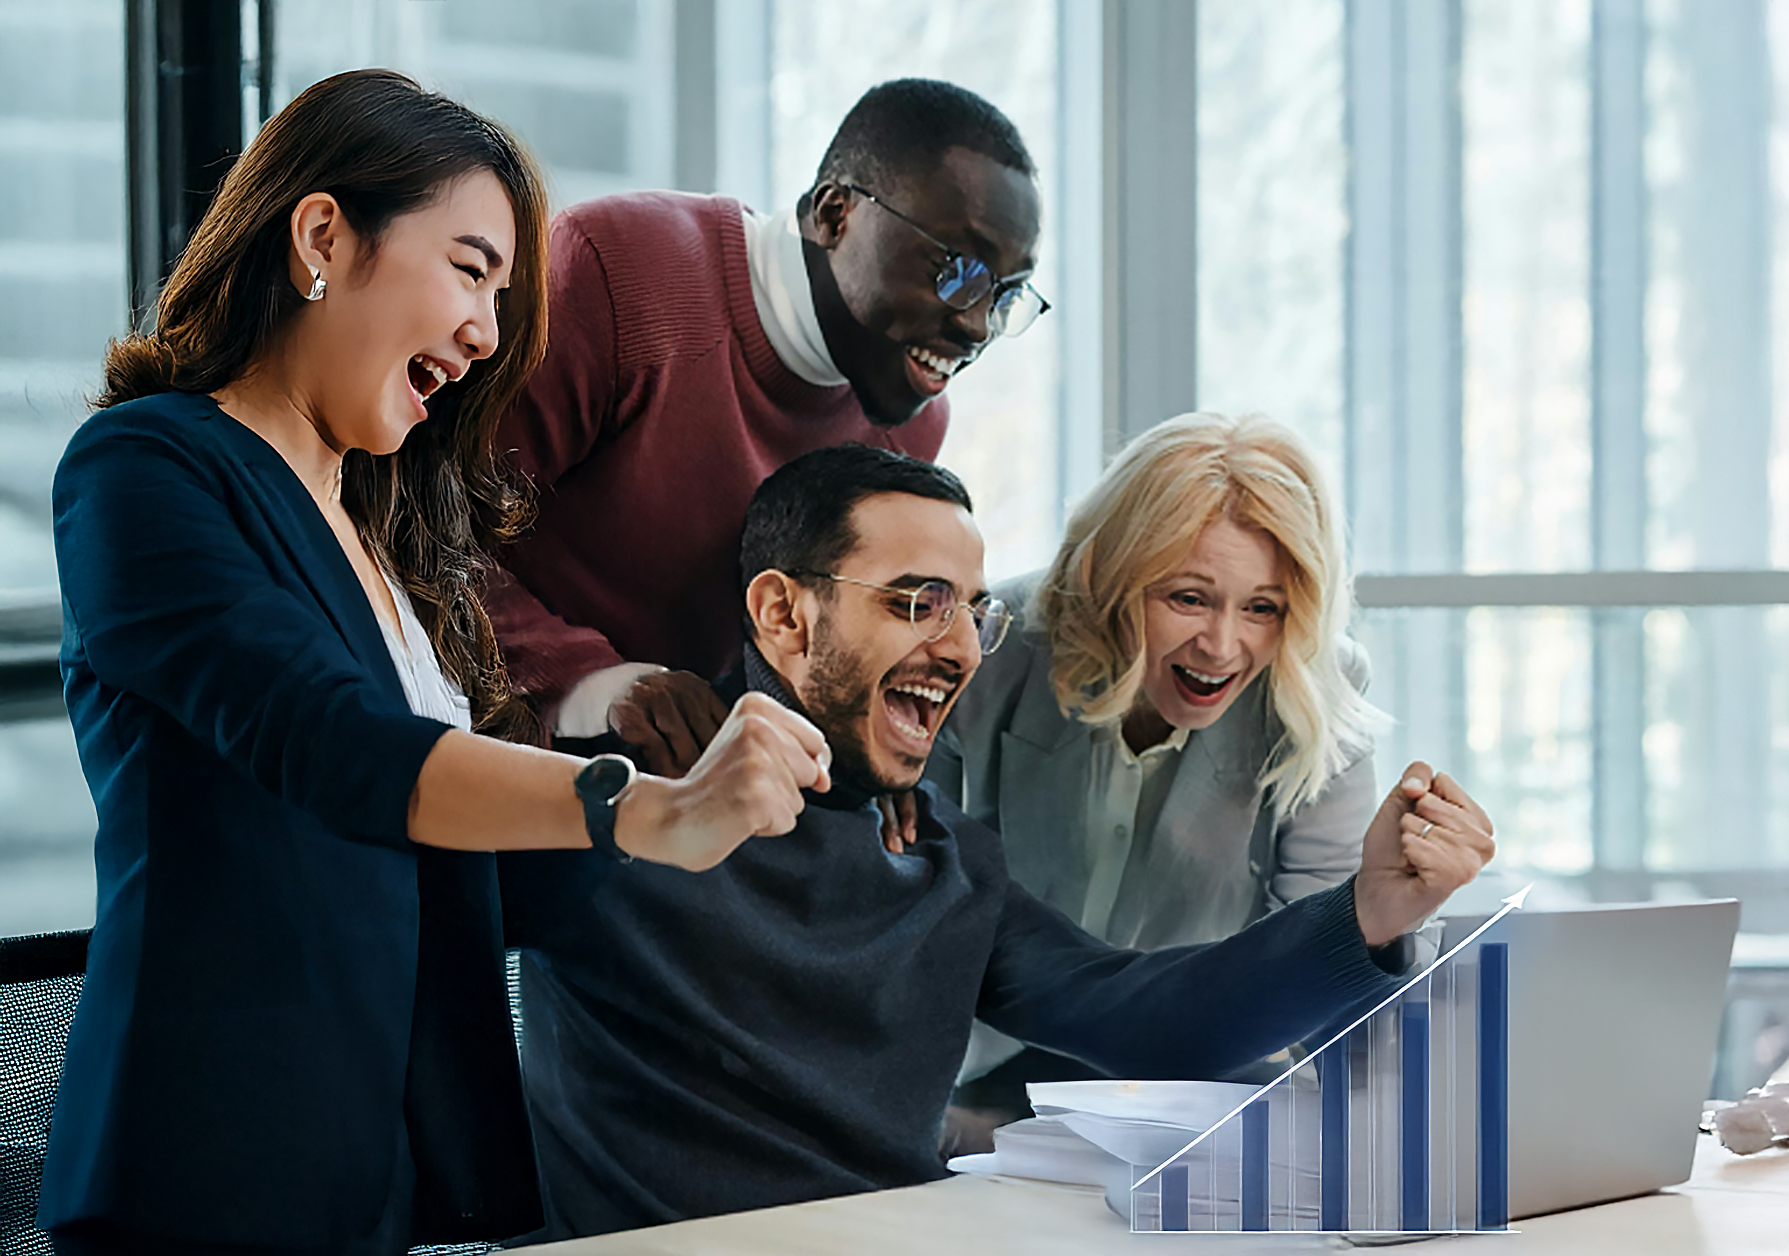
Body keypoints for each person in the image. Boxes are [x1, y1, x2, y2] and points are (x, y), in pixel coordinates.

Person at [43, 70, 829, 1256]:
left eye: (504, 294)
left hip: (378, 1173)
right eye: (470, 269)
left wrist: (714, 754)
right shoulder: (143, 468)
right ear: (321, 234)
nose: (488, 333)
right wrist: (641, 810)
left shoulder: (386, 539)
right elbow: (330, 743)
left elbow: (482, 874)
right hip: (208, 1168)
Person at [499, 444, 1495, 1241]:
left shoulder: (945, 858)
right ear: (781, 615)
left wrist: (1370, 911)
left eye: (969, 611)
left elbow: (1148, 1015)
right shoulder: (613, 806)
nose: (964, 645)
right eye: (914, 601)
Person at [480, 77, 1046, 769]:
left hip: (691, 800)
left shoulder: (915, 425)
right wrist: (594, 685)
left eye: (1008, 294)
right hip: (486, 751)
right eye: (957, 270)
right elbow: (418, 532)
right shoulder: (620, 270)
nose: (977, 325)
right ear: (837, 214)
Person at [928, 412, 1382, 1124]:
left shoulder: (1319, 687)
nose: (1222, 646)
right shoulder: (993, 647)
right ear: (1112, 576)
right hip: (971, 1068)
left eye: (1263, 607)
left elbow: (1317, 944)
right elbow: (910, 889)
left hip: (1199, 1077)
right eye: (1188, 598)